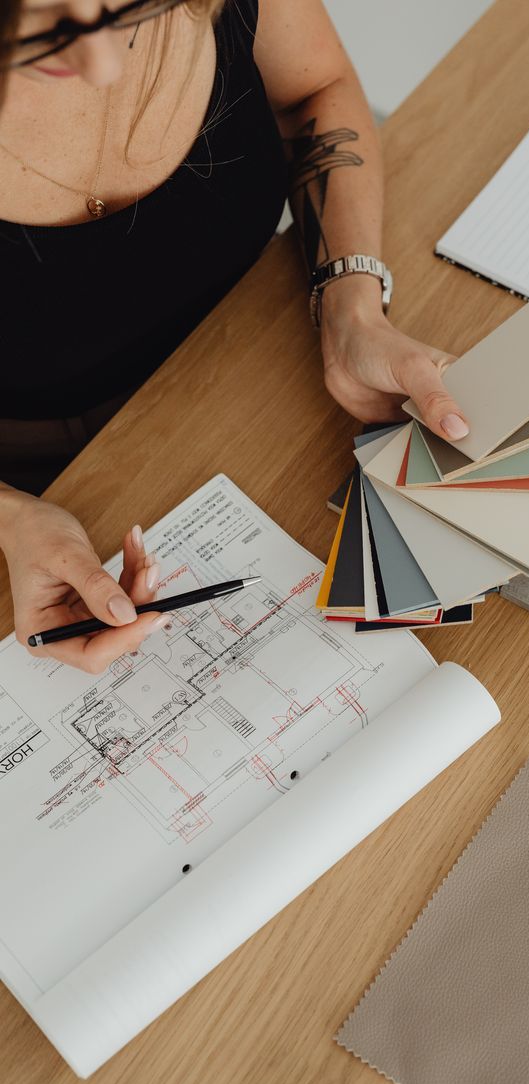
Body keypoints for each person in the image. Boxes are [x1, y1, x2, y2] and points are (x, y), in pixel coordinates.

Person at [0, 0, 470, 672]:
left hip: (259, 355)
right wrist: (11, 518)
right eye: (44, 22)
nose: (106, 65)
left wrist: (350, 306)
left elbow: (316, 89)